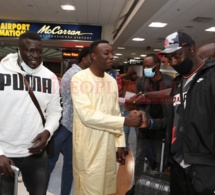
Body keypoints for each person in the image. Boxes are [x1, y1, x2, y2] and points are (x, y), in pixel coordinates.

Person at [71, 39, 142, 195]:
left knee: (108, 189)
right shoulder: (79, 79)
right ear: (94, 56)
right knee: (90, 189)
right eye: (106, 53)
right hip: (89, 146)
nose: (111, 56)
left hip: (109, 146)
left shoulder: (111, 81)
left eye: (112, 53)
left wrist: (119, 144)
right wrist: (125, 120)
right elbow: (86, 115)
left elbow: (115, 112)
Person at [0, 31, 62, 195]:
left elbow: (55, 112)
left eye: (39, 51)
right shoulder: (1, 71)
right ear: (18, 50)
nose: (35, 55)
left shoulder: (50, 77)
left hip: (35, 153)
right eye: (30, 50)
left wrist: (47, 132)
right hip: (5, 154)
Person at [157, 31, 215, 194]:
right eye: (169, 58)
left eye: (177, 55)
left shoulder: (211, 75)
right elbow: (178, 118)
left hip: (204, 165)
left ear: (191, 49)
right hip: (178, 162)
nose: (173, 62)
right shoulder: (178, 82)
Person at [126, 53, 173, 195]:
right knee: (140, 156)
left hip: (161, 127)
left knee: (158, 159)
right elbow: (139, 103)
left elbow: (171, 109)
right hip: (143, 125)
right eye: (144, 65)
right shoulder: (142, 81)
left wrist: (154, 121)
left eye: (148, 65)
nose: (145, 68)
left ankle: (154, 187)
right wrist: (142, 114)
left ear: (157, 66)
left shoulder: (169, 82)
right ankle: (138, 186)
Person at [47, 47, 91, 195]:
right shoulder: (75, 74)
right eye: (93, 57)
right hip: (64, 123)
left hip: (73, 125)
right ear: (84, 58)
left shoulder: (82, 74)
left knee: (70, 164)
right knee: (51, 162)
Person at [121, 67, 138, 155]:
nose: (134, 76)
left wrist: (135, 74)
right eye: (132, 74)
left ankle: (139, 149)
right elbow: (119, 77)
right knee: (125, 131)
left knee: (137, 131)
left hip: (136, 110)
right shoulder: (126, 83)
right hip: (127, 109)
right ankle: (125, 148)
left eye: (135, 74)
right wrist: (127, 74)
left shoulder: (139, 82)